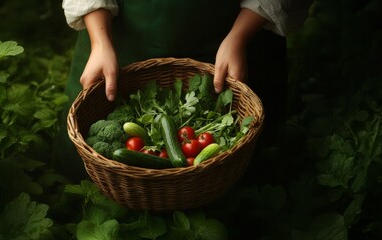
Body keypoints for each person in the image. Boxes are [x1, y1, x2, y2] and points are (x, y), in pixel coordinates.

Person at [55, 0, 313, 181]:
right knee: (91, 163)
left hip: (234, 30)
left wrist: (239, 37)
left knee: (244, 172)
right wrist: (100, 42)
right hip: (118, 34)